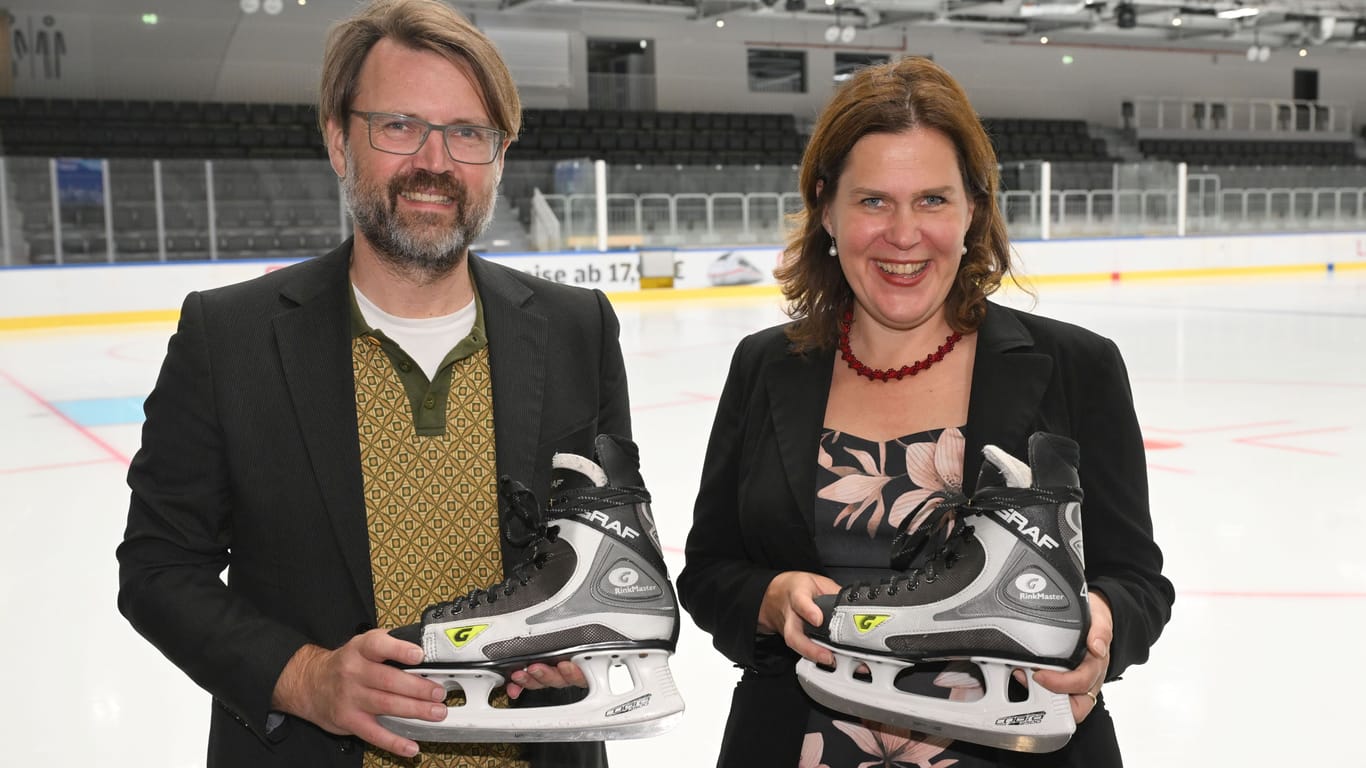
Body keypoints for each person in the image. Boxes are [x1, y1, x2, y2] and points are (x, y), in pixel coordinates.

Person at [115, 1, 624, 766]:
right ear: (337, 141)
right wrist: (304, 678)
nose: (435, 161)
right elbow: (158, 569)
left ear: (500, 154)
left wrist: (584, 635)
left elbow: (605, 533)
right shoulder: (231, 339)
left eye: (467, 133)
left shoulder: (577, 326)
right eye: (399, 126)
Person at [676, 57, 1173, 768]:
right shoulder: (765, 366)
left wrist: (1097, 628)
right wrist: (771, 597)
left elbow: (1138, 583)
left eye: (933, 200)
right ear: (826, 208)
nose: (904, 235)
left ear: (974, 207)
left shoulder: (1076, 367)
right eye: (873, 201)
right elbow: (709, 572)